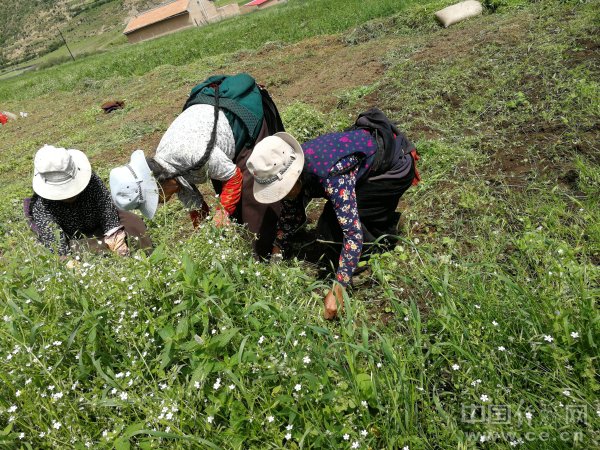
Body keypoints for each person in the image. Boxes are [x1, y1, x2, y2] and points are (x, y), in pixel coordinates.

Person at [246, 120, 420, 320]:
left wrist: (338, 289)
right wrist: (278, 249)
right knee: (332, 221)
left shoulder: (330, 175)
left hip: (393, 167)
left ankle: (375, 251)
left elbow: (352, 235)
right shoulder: (296, 165)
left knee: (335, 228)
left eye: (282, 190)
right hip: (365, 161)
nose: (281, 196)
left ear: (294, 178)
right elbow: (291, 213)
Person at [110, 74, 284, 258]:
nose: (164, 202)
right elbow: (198, 211)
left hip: (240, 120)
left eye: (159, 198)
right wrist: (205, 238)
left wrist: (222, 213)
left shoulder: (190, 153)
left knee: (252, 198)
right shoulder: (170, 172)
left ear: (158, 184)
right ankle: (247, 246)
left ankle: (270, 249)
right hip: (214, 145)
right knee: (228, 204)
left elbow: (233, 177)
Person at [24, 145, 152, 260]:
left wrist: (115, 238)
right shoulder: (41, 205)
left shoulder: (91, 180)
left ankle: (145, 256)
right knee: (79, 249)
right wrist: (69, 262)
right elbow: (58, 245)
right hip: (74, 238)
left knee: (133, 223)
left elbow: (106, 209)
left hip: (99, 225)